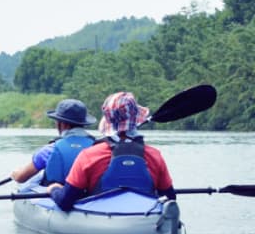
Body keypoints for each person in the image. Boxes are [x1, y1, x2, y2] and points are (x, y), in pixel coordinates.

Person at [47, 91, 175, 212]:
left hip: (103, 220)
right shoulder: (154, 155)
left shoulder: (89, 156)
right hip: (144, 217)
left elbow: (65, 202)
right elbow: (170, 197)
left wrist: (54, 189)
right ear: (135, 120)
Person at [10, 99, 98, 190]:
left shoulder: (50, 149)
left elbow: (21, 178)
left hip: (55, 195)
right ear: (83, 123)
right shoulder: (98, 146)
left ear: (62, 124)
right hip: (88, 197)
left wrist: (15, 173)